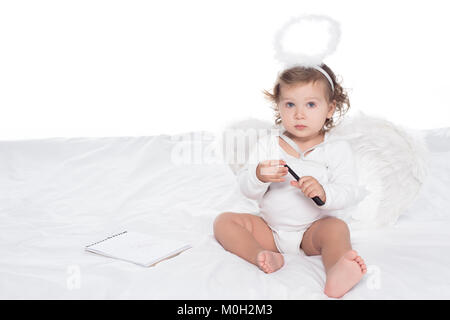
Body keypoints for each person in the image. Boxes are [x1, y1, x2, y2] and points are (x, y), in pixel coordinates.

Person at [213, 64, 367, 298]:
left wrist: (324, 192)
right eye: (290, 104)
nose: (299, 114)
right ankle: (261, 255)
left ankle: (337, 271)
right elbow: (246, 188)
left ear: (330, 108)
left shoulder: (337, 149)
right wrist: (258, 176)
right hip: (270, 231)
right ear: (279, 106)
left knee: (337, 229)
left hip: (312, 232)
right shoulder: (268, 144)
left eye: (311, 104)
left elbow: (349, 191)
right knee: (223, 222)